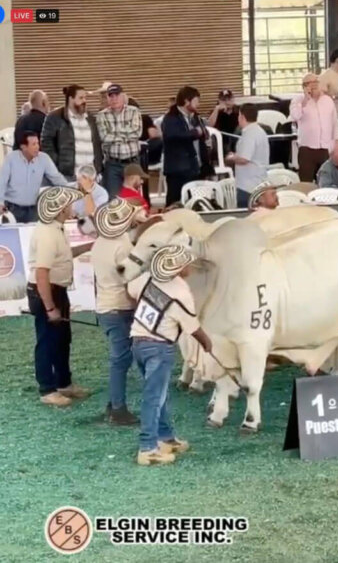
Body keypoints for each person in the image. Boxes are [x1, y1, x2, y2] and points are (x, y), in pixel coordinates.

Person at [128, 245, 211, 466]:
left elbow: (131, 291)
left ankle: (166, 438)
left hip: (138, 341)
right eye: (186, 264)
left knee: (158, 394)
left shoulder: (147, 278)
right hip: (159, 347)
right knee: (154, 397)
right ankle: (147, 448)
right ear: (177, 268)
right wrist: (207, 343)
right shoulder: (181, 291)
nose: (190, 267)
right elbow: (192, 326)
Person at [27, 187, 93, 407]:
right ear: (59, 208)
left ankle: (64, 383)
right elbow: (41, 272)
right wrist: (49, 307)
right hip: (47, 291)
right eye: (68, 204)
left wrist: (90, 246)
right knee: (47, 340)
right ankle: (47, 388)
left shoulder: (56, 229)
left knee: (62, 338)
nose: (71, 207)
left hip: (56, 290)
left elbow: (64, 255)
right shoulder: (47, 233)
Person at [92, 198, 144, 425]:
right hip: (120, 306)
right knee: (120, 360)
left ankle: (115, 403)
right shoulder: (122, 245)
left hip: (106, 304)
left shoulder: (99, 243)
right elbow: (129, 280)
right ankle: (118, 408)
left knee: (119, 358)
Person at [0, 132, 70, 222]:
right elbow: (2, 182)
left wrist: (71, 191)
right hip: (11, 209)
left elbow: (57, 178)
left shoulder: (44, 158)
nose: (37, 147)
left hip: (33, 210)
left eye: (38, 143)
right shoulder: (11, 159)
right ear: (23, 146)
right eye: (33, 144)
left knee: (33, 234)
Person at [161, 86, 211, 206]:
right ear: (186, 101)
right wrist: (195, 133)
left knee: (196, 204)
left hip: (195, 167)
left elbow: (202, 133)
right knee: (175, 204)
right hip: (178, 169)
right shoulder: (170, 118)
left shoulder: (195, 117)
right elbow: (173, 136)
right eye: (196, 101)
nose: (198, 104)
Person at [41, 85, 102, 181]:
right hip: (68, 175)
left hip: (91, 175)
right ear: (70, 99)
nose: (84, 101)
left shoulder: (90, 118)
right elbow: (46, 144)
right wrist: (58, 166)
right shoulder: (55, 117)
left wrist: (99, 167)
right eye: (81, 98)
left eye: (85, 98)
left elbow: (97, 144)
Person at [290, 73, 338, 183]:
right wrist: (305, 100)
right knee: (306, 184)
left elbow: (334, 124)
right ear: (304, 87)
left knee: (326, 182)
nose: (313, 85)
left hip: (326, 149)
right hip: (307, 149)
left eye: (315, 82)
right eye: (309, 83)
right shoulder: (298, 100)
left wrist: (334, 145)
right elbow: (295, 116)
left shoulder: (327, 100)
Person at [96, 84, 143, 197]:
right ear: (107, 98)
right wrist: (127, 132)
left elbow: (137, 133)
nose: (114, 98)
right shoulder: (101, 115)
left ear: (123, 96)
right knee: (113, 200)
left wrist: (114, 132)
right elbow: (105, 138)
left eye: (117, 95)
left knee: (133, 200)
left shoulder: (134, 111)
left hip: (133, 162)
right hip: (113, 164)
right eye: (111, 96)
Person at [227, 104, 270, 208]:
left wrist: (231, 158)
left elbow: (244, 159)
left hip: (248, 187)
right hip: (258, 183)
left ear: (242, 116)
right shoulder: (260, 131)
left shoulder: (249, 134)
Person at [208, 89, 239, 153]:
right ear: (219, 101)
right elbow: (209, 125)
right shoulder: (215, 112)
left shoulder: (238, 112)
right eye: (224, 100)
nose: (227, 102)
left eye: (229, 99)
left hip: (236, 141)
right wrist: (216, 109)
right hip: (221, 142)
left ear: (233, 99)